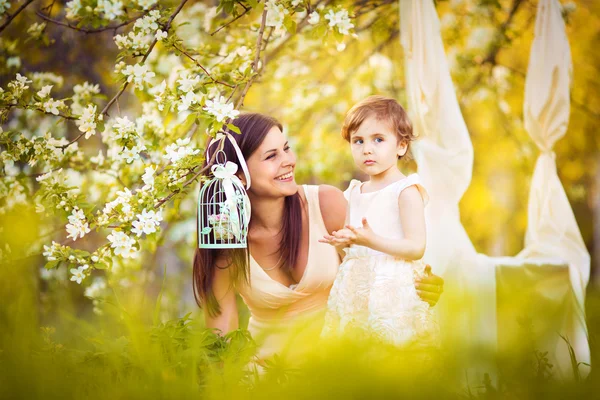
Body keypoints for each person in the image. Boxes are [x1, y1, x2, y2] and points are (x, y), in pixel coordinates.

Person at [193, 112, 444, 360]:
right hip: (267, 374)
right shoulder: (224, 238)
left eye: (286, 148)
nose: (289, 160)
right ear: (237, 175)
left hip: (337, 368)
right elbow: (221, 335)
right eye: (271, 156)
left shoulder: (325, 203)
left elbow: (377, 268)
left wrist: (420, 287)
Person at [320, 96, 438, 347]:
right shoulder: (353, 191)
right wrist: (342, 241)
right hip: (357, 288)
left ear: (401, 146)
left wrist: (371, 240)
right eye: (358, 141)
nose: (367, 149)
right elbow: (353, 245)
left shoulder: (406, 190)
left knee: (393, 351)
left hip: (393, 288)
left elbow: (416, 247)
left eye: (378, 140)